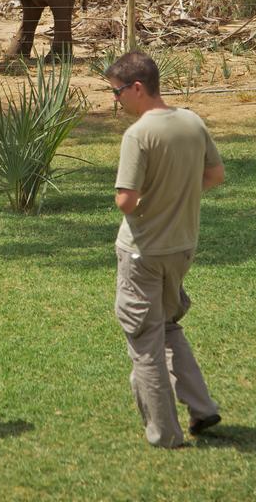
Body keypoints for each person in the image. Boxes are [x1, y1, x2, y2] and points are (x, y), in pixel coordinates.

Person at [105, 52, 225, 449]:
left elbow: (126, 200)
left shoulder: (139, 135)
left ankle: (164, 433)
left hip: (143, 252)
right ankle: (202, 407)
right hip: (182, 249)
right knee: (169, 326)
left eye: (118, 92)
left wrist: (145, 201)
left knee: (144, 343)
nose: (116, 101)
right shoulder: (193, 121)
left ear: (137, 88)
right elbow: (215, 175)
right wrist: (178, 195)